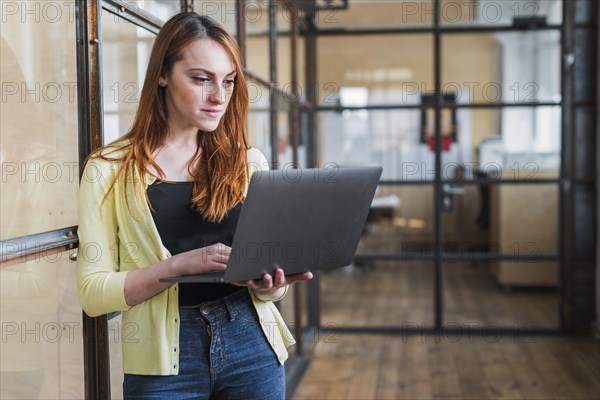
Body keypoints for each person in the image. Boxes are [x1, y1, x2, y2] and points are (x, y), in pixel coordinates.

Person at [76, 12, 312, 400]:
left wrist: (272, 285)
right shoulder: (108, 170)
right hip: (164, 360)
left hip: (251, 342)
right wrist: (177, 268)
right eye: (202, 79)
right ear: (163, 74)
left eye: (229, 81)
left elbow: (271, 288)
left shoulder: (248, 161)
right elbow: (92, 294)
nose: (219, 96)